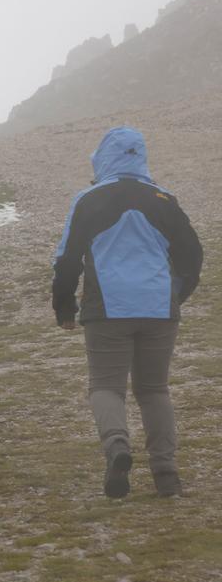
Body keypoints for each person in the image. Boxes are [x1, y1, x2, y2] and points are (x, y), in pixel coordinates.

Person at [53, 127, 202, 498]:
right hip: (158, 306)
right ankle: (166, 474)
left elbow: (67, 258)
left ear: (102, 158)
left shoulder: (89, 199)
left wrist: (64, 306)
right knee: (154, 389)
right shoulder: (164, 199)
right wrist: (174, 296)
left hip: (107, 308)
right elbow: (193, 256)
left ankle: (117, 447)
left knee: (106, 387)